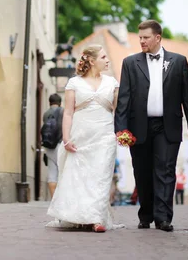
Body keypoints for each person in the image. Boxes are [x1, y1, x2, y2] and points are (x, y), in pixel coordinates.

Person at [115, 20, 188, 232]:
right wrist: (121, 129)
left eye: (145, 37)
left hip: (167, 126)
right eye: (140, 37)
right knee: (142, 172)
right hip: (139, 127)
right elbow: (123, 99)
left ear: (158, 38)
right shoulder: (130, 63)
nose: (141, 41)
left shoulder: (178, 62)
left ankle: (163, 218)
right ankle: (146, 214)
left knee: (165, 171)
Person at [47, 44, 121, 233]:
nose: (107, 60)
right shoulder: (74, 83)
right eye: (103, 57)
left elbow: (119, 112)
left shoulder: (112, 82)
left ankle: (96, 219)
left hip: (104, 136)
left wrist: (121, 132)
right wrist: (66, 138)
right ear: (91, 60)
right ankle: (80, 216)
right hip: (81, 136)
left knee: (101, 176)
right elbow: (68, 113)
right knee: (81, 177)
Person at [41, 94, 64, 199]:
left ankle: (54, 200)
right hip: (60, 145)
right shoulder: (63, 112)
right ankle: (61, 200)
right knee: (62, 172)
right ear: (60, 102)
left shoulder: (46, 114)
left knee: (52, 173)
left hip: (49, 146)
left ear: (49, 102)